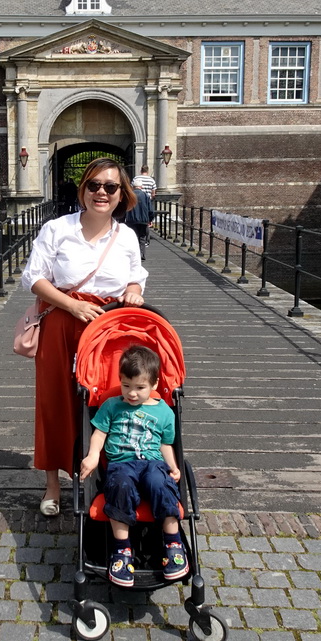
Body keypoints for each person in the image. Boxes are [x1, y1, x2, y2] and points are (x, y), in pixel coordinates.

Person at [21, 158, 147, 517]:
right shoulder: (57, 229)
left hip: (108, 326)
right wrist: (72, 306)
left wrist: (135, 290)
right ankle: (53, 485)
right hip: (62, 320)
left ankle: (104, 473)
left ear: (122, 194)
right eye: (94, 185)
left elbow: (135, 275)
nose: (101, 193)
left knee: (106, 400)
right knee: (55, 400)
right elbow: (34, 277)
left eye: (110, 187)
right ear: (83, 190)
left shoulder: (126, 237)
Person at [80, 345, 187, 586]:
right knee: (120, 486)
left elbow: (165, 444)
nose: (132, 393)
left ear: (155, 384)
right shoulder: (112, 406)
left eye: (140, 388)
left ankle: (173, 543)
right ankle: (122, 550)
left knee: (161, 483)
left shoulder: (163, 413)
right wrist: (94, 455)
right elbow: (99, 433)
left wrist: (173, 466)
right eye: (126, 386)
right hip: (121, 464)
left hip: (152, 463)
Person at [124, 186, 154, 261]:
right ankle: (142, 254)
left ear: (133, 186)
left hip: (131, 220)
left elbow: (124, 208)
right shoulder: (145, 195)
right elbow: (150, 210)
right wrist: (150, 219)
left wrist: (122, 220)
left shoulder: (129, 195)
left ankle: (133, 255)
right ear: (141, 187)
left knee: (133, 237)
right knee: (142, 238)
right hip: (143, 221)